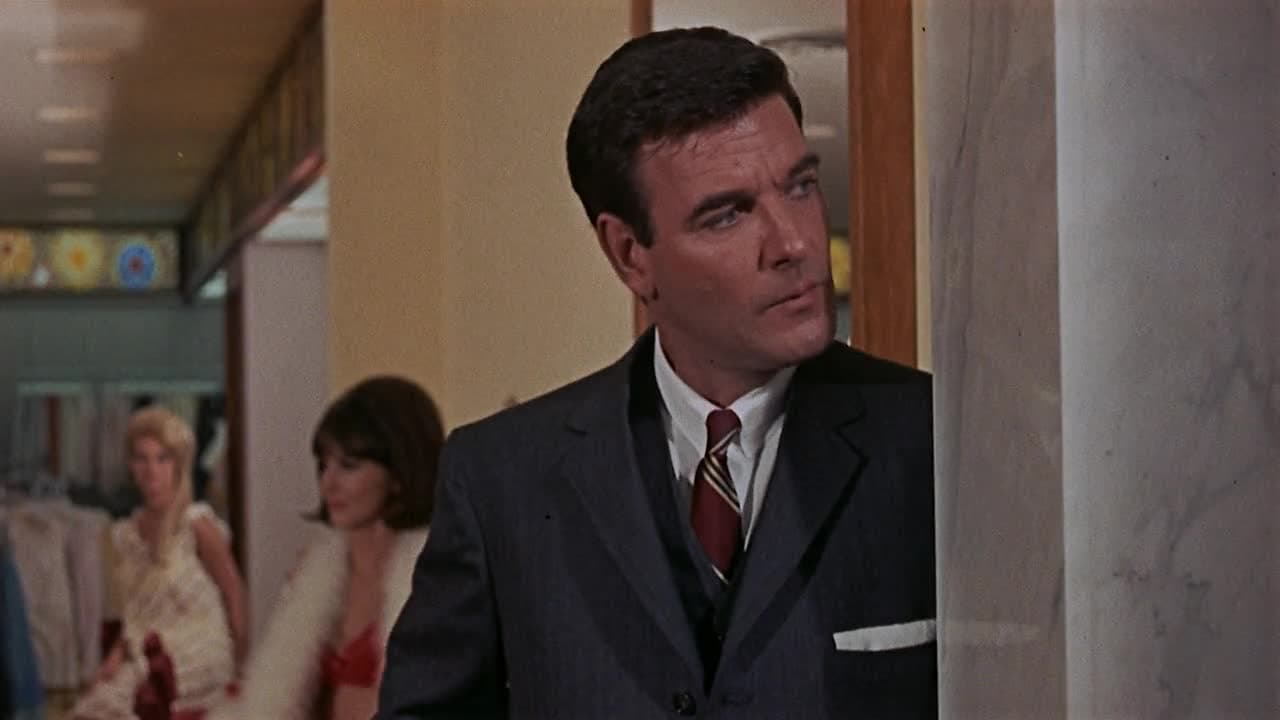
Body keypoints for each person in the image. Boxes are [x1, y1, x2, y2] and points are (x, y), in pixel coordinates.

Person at [377, 26, 936, 719]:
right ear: (629, 255)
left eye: (800, 186)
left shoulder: (934, 442)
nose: (795, 243)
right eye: (727, 216)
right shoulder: (501, 481)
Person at [209, 376, 444, 720]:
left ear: (398, 473)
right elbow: (274, 697)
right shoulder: (315, 572)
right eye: (324, 464)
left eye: (348, 466)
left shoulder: (432, 577)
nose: (328, 483)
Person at [72, 406, 246, 719]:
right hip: (147, 653)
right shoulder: (125, 535)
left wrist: (244, 670)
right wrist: (113, 659)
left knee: (125, 704)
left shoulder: (196, 524)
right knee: (90, 705)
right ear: (131, 465)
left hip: (202, 649)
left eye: (162, 459)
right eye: (142, 459)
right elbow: (136, 614)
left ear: (178, 465)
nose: (151, 470)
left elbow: (234, 594)